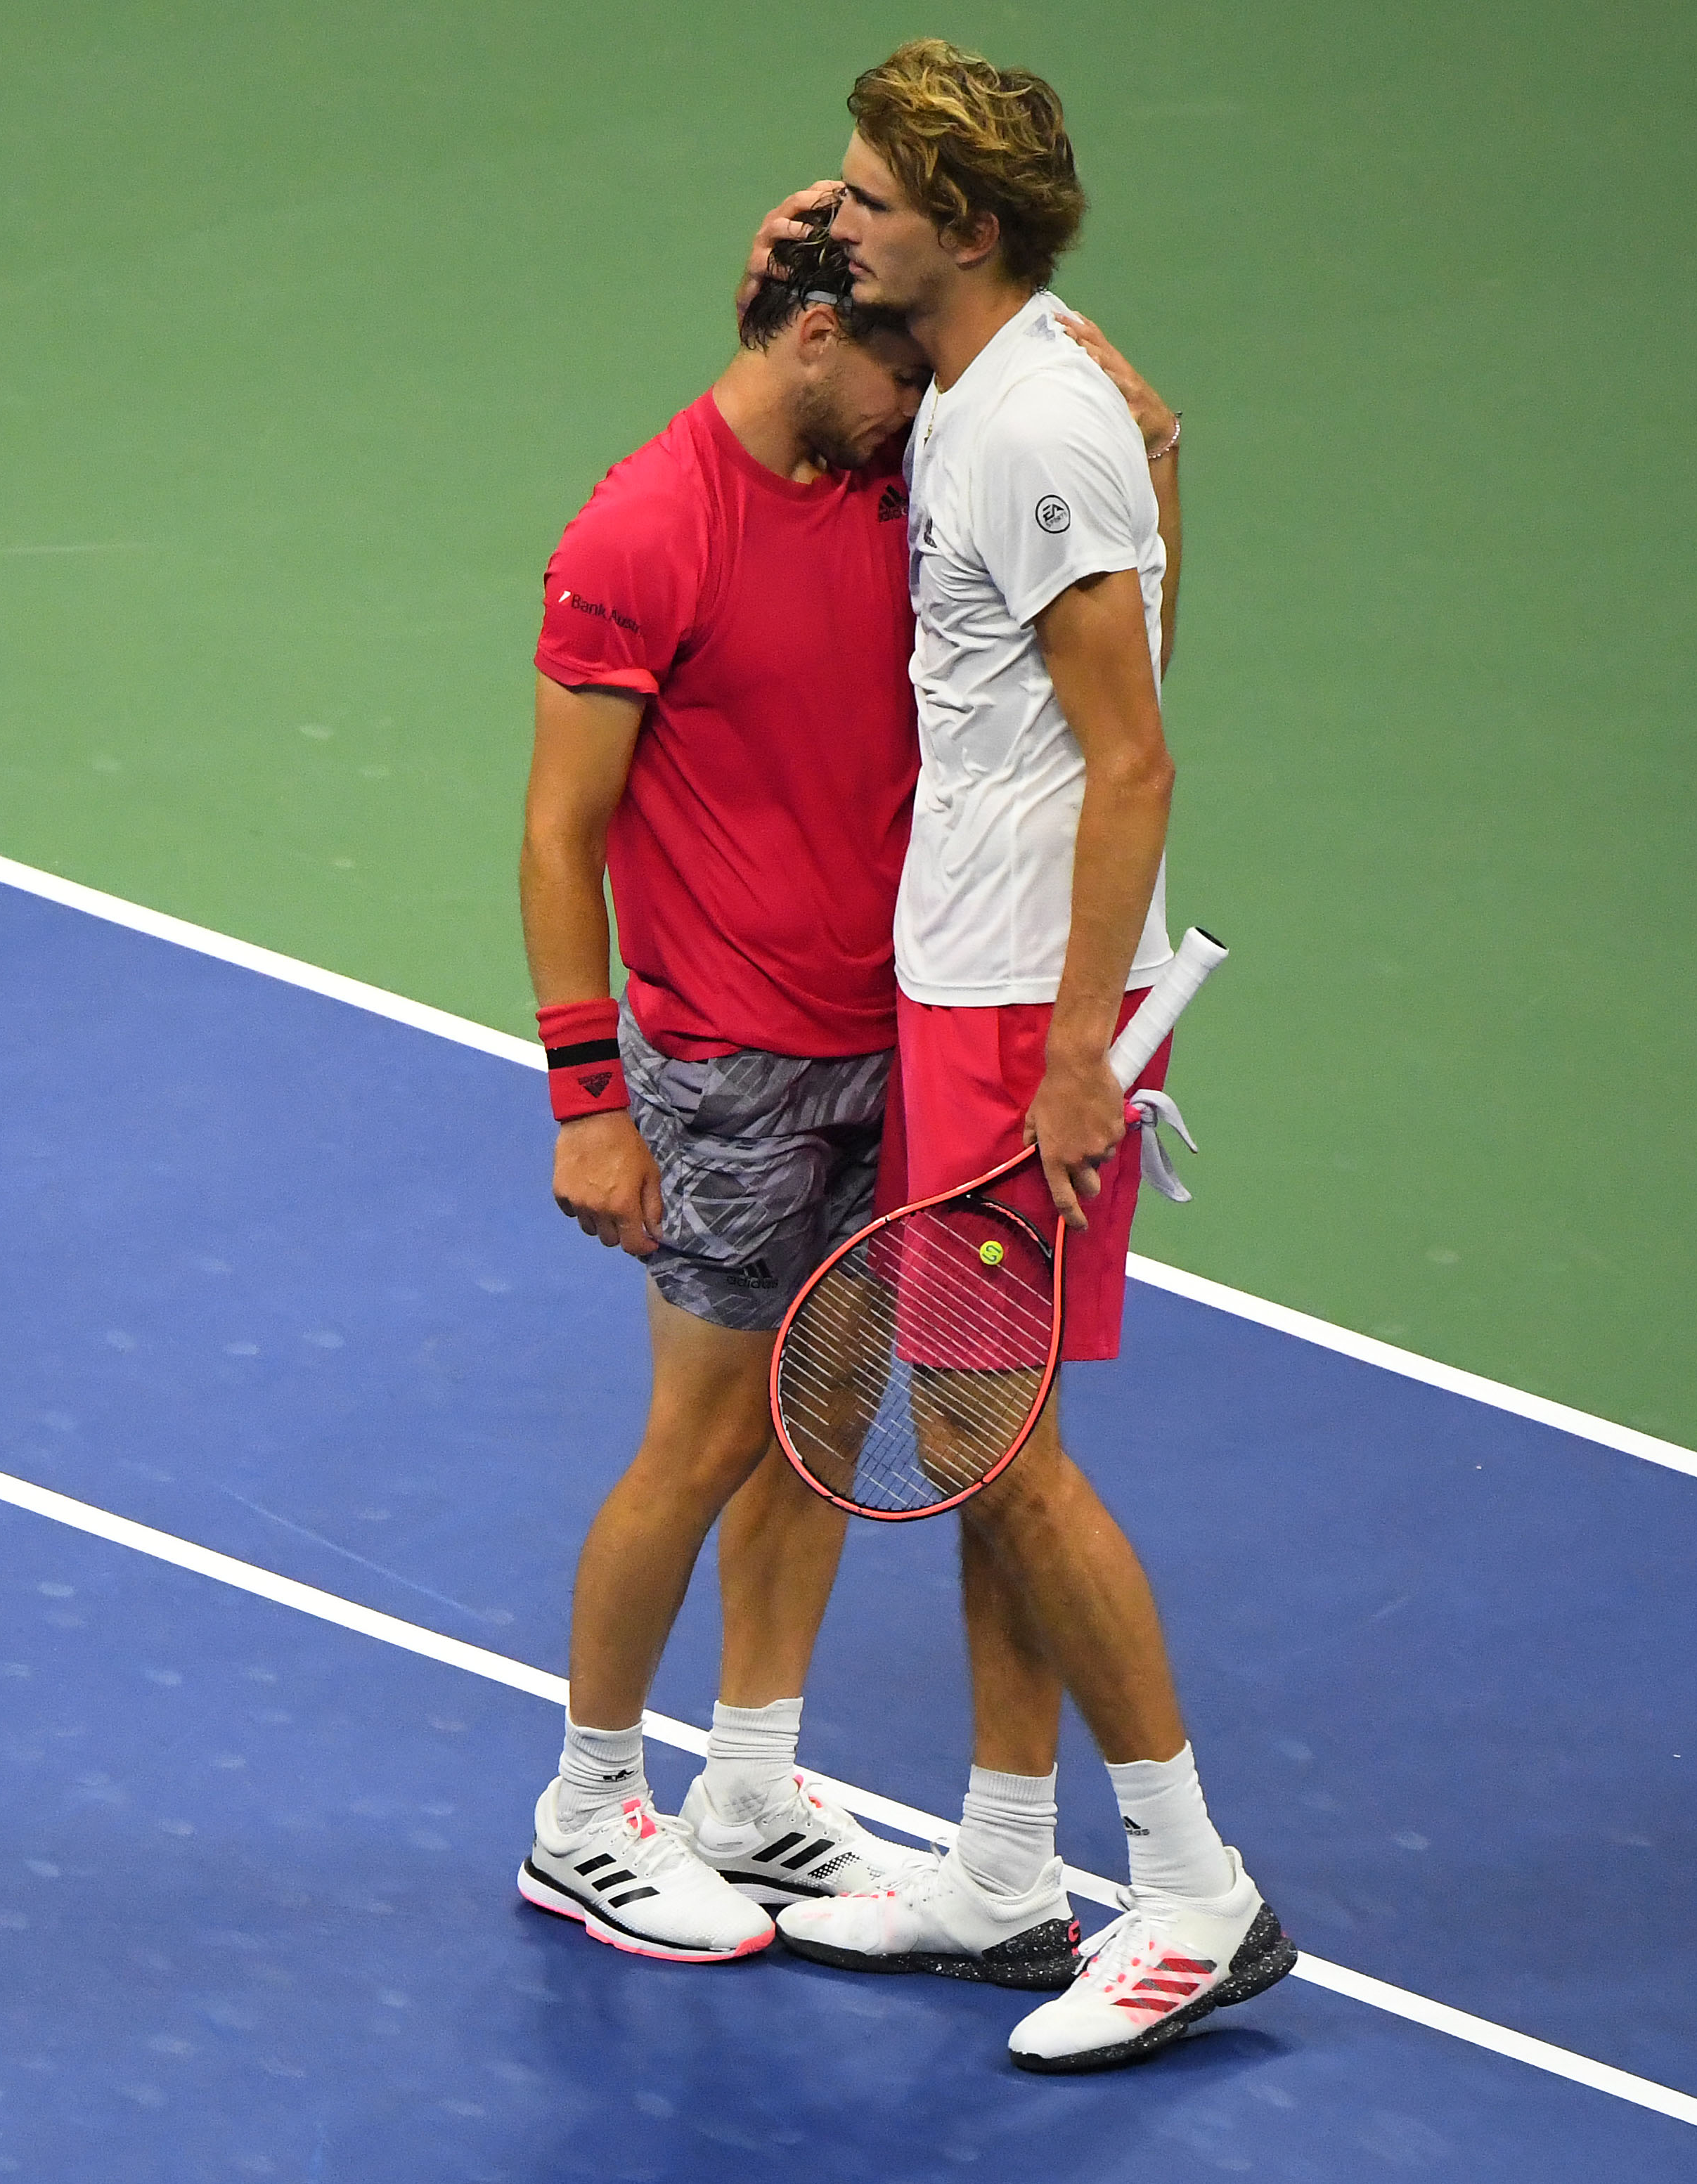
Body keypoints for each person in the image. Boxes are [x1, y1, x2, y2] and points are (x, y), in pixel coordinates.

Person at [771, 38, 1296, 2074]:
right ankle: (1005, 1860)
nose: (842, 220)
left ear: (964, 228)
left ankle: (1192, 1887)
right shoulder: (1022, 396)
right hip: (968, 979)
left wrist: (1075, 1050)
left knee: (1018, 1458)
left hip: (1015, 1010)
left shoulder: (1029, 431)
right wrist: (1159, 462)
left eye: (872, 200)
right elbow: (1119, 609)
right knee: (983, 1443)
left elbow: (1132, 752)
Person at [512, 206, 948, 1964]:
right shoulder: (641, 530)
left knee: (822, 1425)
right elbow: (559, 834)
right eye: (906, 364)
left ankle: (750, 1785)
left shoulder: (881, 482)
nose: (928, 398)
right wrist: (587, 1099)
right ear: (820, 339)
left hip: (883, 1042)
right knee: (696, 1442)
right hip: (725, 1064)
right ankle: (586, 1808)